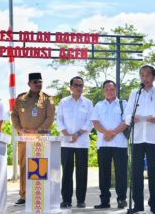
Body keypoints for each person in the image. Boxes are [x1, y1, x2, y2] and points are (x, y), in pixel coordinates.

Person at [124, 65, 155, 214]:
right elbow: (126, 115)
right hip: (137, 138)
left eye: (148, 75)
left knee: (153, 173)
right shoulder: (135, 94)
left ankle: (154, 205)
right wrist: (132, 118)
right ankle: (137, 205)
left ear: (154, 77)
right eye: (142, 75)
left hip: (153, 138)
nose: (145, 78)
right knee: (136, 173)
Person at [11, 72, 55, 205]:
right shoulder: (20, 98)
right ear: (29, 84)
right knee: (24, 166)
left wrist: (39, 130)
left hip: (41, 138)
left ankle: (40, 194)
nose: (38, 84)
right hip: (24, 138)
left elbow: (50, 117)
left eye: (40, 81)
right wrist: (20, 130)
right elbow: (14, 116)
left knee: (40, 166)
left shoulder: (48, 99)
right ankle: (23, 195)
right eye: (35, 82)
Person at [56, 76, 93, 208]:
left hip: (82, 142)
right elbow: (58, 120)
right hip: (66, 142)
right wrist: (67, 134)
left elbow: (90, 122)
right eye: (76, 85)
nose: (79, 88)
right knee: (66, 171)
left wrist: (77, 134)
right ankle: (66, 200)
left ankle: (81, 200)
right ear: (70, 87)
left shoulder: (88, 103)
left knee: (82, 172)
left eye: (81, 85)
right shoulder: (63, 102)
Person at [91, 80, 128, 209]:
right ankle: (104, 201)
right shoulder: (98, 105)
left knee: (121, 173)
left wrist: (112, 133)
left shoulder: (124, 104)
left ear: (116, 90)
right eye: (106, 89)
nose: (109, 92)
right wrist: (106, 133)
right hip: (103, 144)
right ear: (103, 91)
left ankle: (122, 199)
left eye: (112, 89)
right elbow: (95, 123)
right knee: (104, 173)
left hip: (120, 144)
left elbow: (126, 122)